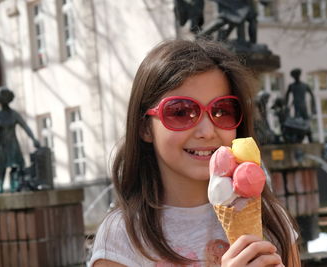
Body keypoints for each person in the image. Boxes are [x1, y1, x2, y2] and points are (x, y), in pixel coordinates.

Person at [89, 39, 300, 267]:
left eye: (222, 111)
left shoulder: (270, 219)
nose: (207, 131)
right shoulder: (122, 237)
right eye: (180, 112)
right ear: (145, 127)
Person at [0, 86, 40, 193]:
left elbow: (25, 127)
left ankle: (14, 186)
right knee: (1, 167)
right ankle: (0, 186)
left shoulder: (14, 114)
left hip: (13, 144)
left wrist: (33, 139)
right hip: (1, 145)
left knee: (16, 167)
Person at [285, 68, 316, 142]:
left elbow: (312, 96)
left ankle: (310, 138)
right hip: (297, 107)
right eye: (294, 76)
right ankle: (298, 138)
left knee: (306, 122)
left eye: (297, 75)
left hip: (303, 107)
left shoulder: (304, 85)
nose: (296, 77)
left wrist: (313, 108)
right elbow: (286, 96)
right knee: (297, 124)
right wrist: (286, 106)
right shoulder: (291, 86)